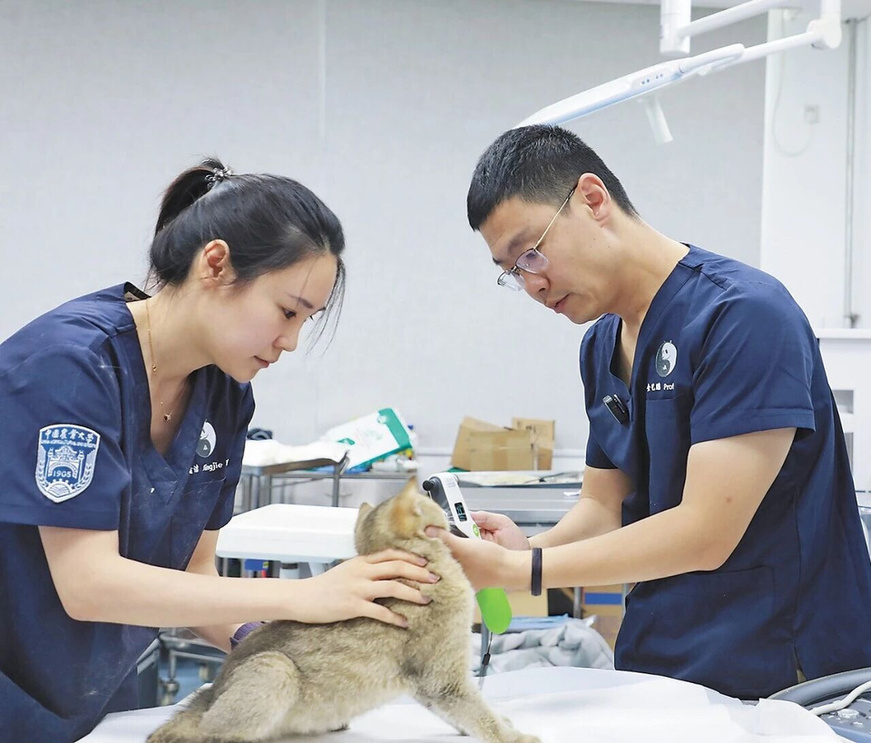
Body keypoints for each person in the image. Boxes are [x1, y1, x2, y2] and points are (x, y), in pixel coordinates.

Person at [0, 160, 438, 742]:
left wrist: (274, 654)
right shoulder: (72, 367)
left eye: (307, 321)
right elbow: (88, 584)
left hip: (92, 696)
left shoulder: (224, 395)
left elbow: (193, 573)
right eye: (287, 311)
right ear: (215, 264)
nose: (291, 341)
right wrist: (305, 595)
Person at [429, 124, 871, 699]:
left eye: (531, 253)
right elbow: (602, 506)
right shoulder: (601, 344)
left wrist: (524, 575)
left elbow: (706, 532)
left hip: (780, 667)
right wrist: (526, 551)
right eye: (513, 273)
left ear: (592, 199)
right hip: (661, 657)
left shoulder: (743, 316)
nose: (533, 284)